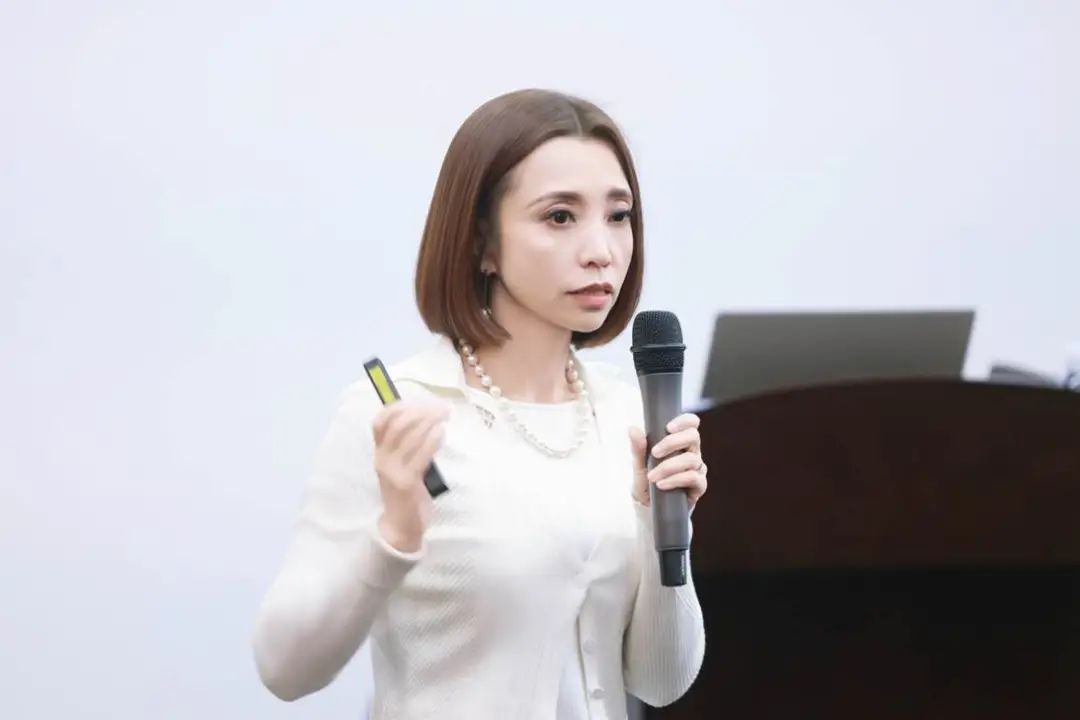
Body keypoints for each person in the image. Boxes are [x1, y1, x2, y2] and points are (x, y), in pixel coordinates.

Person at [252, 89, 708, 719]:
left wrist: (660, 524)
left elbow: (661, 682)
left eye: (618, 215)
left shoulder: (626, 412)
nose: (601, 250)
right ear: (481, 243)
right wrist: (394, 536)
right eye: (559, 217)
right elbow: (283, 668)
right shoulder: (396, 414)